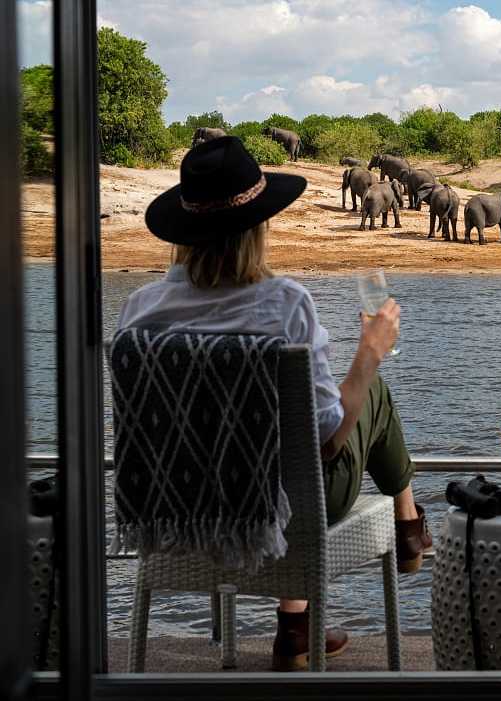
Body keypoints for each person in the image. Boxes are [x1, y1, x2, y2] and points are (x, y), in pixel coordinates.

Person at [117, 136, 431, 671]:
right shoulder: (285, 304)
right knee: (368, 388)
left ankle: (299, 623)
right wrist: (369, 354)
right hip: (278, 513)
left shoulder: (139, 310)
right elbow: (328, 440)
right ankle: (407, 523)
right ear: (257, 229)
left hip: (175, 507)